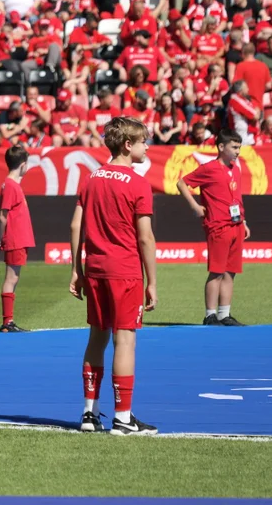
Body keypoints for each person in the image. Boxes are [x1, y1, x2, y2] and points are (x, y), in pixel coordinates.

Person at [69, 117, 158, 436]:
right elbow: (145, 238)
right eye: (144, 140)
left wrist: (76, 270)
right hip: (124, 271)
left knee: (96, 337)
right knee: (125, 340)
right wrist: (152, 282)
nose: (148, 146)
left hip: (94, 269)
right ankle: (122, 417)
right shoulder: (137, 183)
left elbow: (75, 225)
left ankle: (89, 414)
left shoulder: (92, 178)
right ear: (127, 145)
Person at [176, 129, 250, 327]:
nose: (237, 151)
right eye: (234, 147)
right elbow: (182, 183)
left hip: (235, 225)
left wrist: (243, 221)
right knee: (217, 271)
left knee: (230, 272)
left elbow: (237, 197)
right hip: (218, 225)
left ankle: (224, 314)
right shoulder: (208, 168)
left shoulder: (235, 168)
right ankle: (210, 315)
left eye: (239, 147)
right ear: (221, 147)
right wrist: (194, 206)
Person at [0, 145, 34, 334]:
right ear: (22, 165)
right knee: (11, 278)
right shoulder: (11, 185)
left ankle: (8, 321)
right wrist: (0, 237)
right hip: (14, 238)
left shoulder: (12, 185)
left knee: (14, 278)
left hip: (18, 237)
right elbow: (3, 215)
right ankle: (7, 322)